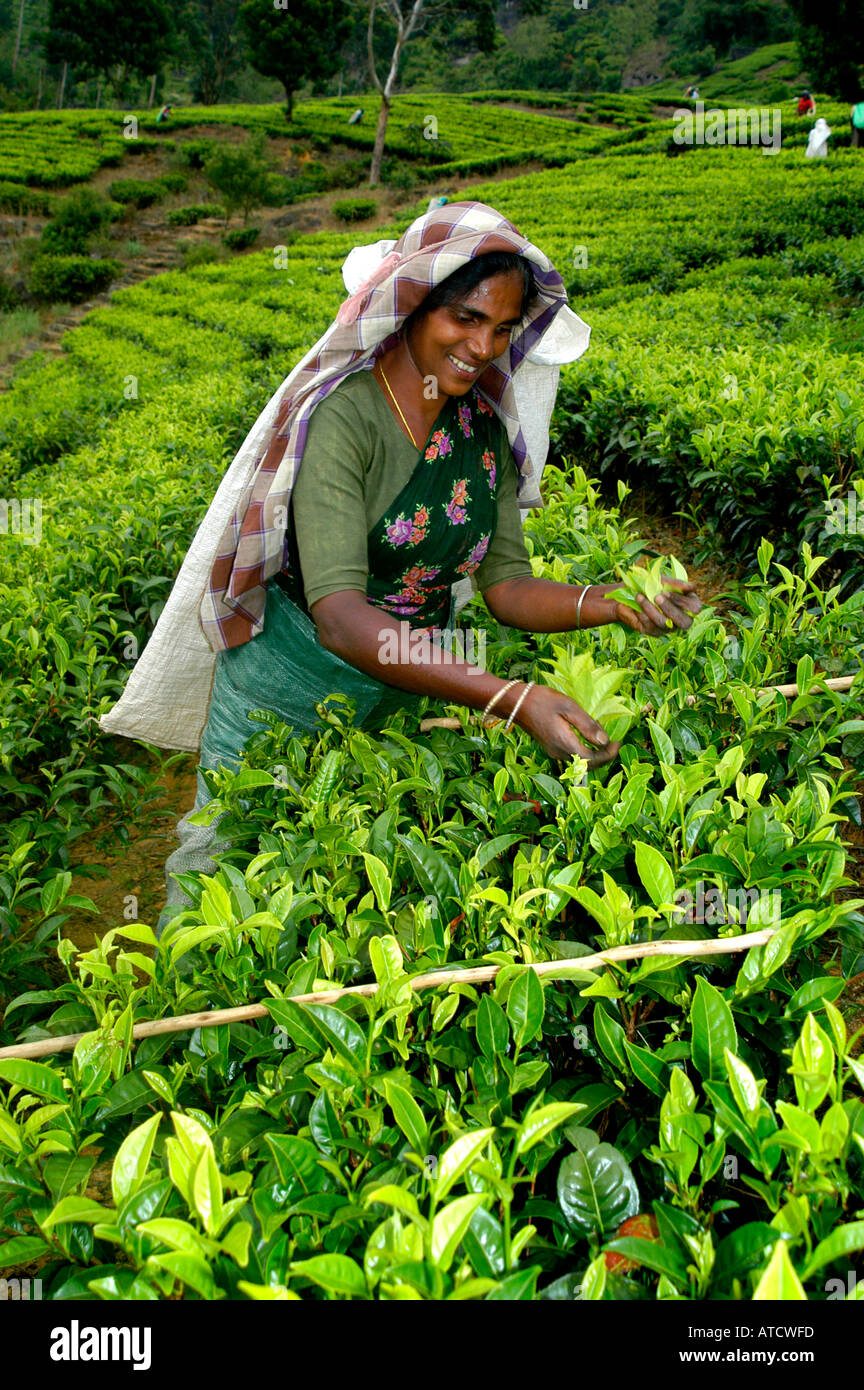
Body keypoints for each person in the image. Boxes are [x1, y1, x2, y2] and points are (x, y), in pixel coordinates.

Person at [99, 201, 703, 933]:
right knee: (220, 873)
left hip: (407, 684)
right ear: (414, 305)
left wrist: (613, 602)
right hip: (289, 684)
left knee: (345, 874)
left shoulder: (483, 430)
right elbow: (342, 619)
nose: (484, 345)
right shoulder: (346, 418)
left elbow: (507, 587)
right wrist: (512, 698)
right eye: (466, 318)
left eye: (504, 328)